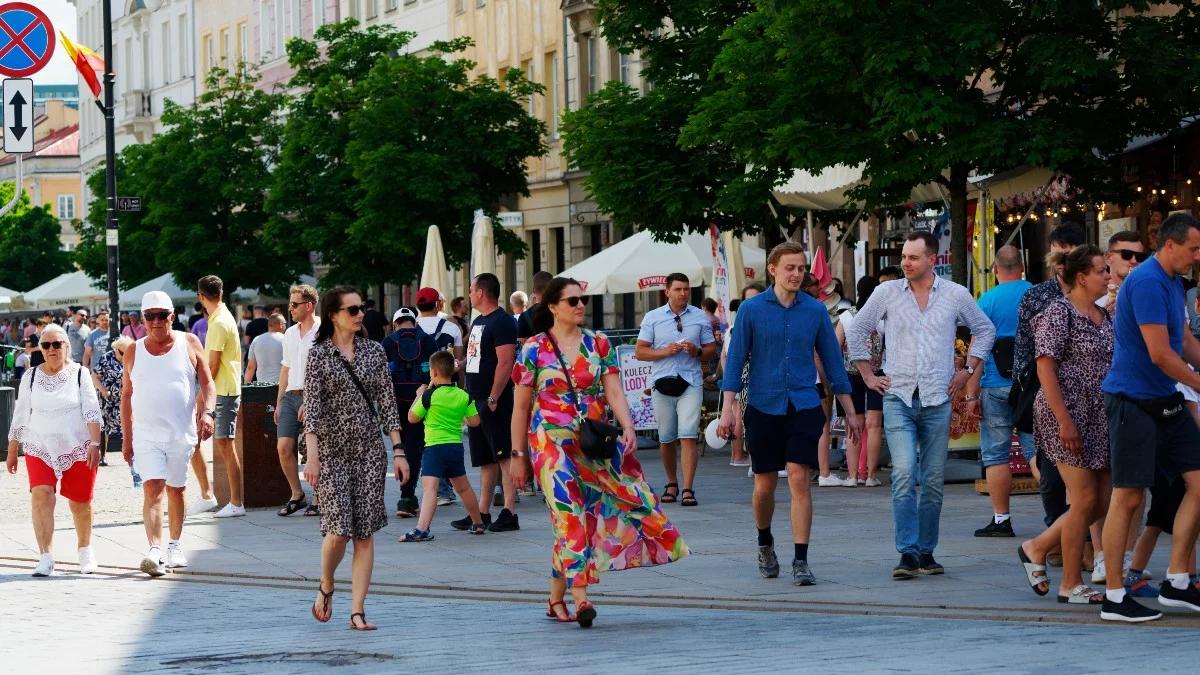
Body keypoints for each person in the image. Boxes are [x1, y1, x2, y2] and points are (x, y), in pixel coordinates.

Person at [510, 277, 688, 627]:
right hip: (548, 442)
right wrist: (518, 457)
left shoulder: (599, 343)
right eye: (572, 300)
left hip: (592, 442)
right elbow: (519, 408)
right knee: (569, 514)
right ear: (552, 306)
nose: (580, 305)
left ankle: (555, 597)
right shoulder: (534, 348)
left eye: (583, 300)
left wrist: (629, 426)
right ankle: (582, 599)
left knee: (611, 506)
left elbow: (615, 392)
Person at [848, 231, 996, 579]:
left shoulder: (955, 293)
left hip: (937, 397)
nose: (905, 262)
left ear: (932, 259)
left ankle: (926, 551)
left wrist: (967, 370)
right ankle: (907, 552)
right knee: (902, 473)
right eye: (903, 256)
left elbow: (985, 330)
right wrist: (869, 375)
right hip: (898, 395)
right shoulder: (887, 292)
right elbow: (858, 330)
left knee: (931, 479)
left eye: (912, 257)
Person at [719, 242, 864, 585]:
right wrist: (728, 411)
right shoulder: (752, 310)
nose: (797, 274)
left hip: (803, 404)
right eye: (790, 268)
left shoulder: (814, 312)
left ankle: (801, 559)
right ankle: (765, 540)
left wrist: (850, 411)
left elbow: (833, 362)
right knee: (765, 485)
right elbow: (735, 361)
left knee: (799, 476)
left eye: (801, 269)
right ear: (773, 269)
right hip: (762, 405)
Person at [1098, 213, 1200, 622]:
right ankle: (1114, 595)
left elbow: (1185, 341)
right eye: (1193, 248)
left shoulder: (1175, 284)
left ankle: (1177, 581)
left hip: (1164, 399)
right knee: (1129, 496)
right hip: (1132, 400)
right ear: (1170, 245)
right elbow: (1160, 354)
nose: (1197, 256)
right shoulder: (1146, 282)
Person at [302, 285, 407, 631]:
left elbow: (388, 404)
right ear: (333, 315)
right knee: (338, 531)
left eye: (361, 308)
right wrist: (312, 457)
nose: (360, 314)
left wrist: (399, 451)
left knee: (364, 533)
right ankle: (327, 583)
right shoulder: (318, 355)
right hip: (331, 453)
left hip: (368, 452)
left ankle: (358, 610)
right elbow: (313, 409)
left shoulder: (374, 352)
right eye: (352, 310)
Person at [1015, 246, 1113, 604]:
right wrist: (1064, 420)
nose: (1108, 276)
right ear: (1082, 277)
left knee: (1098, 503)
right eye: (1102, 271)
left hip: (1099, 414)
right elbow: (1045, 368)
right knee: (1085, 499)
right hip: (1065, 412)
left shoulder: (1104, 314)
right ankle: (1070, 582)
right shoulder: (1058, 312)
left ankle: (1037, 547)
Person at [122, 291, 216, 577]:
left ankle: (175, 544)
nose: (156, 321)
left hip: (180, 433)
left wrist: (208, 413)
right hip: (146, 434)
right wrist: (127, 438)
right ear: (142, 319)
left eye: (162, 315)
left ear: (172, 316)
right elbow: (126, 395)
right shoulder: (133, 350)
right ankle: (154, 549)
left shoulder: (189, 342)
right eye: (150, 316)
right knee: (153, 488)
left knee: (177, 489)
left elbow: (208, 383)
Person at [5, 323, 104, 577]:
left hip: (78, 445)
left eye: (57, 344)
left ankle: (85, 551)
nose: (52, 349)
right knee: (41, 496)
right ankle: (46, 557)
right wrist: (13, 448)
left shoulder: (80, 373)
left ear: (66, 347)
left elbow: (92, 412)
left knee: (80, 501)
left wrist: (95, 444)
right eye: (46, 345)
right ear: (41, 348)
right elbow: (20, 413)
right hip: (39, 445)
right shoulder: (31, 376)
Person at [1013, 223, 1086, 558]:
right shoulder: (1038, 295)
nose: (1066, 257)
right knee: (1052, 468)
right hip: (1047, 392)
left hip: (1089, 395)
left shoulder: (1095, 294)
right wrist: (1024, 387)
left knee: (1089, 472)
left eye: (1073, 249)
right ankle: (1055, 534)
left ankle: (1083, 543)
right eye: (1062, 249)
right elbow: (1025, 347)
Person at [966, 245, 1039, 536]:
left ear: (996, 270)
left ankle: (1001, 520)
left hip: (995, 385)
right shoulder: (1037, 294)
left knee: (996, 455)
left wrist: (971, 393)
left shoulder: (987, 300)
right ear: (1021, 268)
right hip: (1032, 385)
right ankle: (1060, 514)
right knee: (1037, 450)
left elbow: (977, 350)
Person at [635, 273, 716, 507]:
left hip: (690, 381)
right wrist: (664, 352)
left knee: (688, 434)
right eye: (678, 289)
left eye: (686, 289)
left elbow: (711, 349)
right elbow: (640, 352)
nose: (683, 293)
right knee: (667, 437)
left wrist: (697, 351)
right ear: (667, 291)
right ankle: (672, 482)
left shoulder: (700, 317)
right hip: (662, 381)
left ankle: (688, 488)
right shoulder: (653, 317)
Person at [398, 350, 486, 540]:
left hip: (434, 448)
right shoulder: (463, 395)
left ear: (434, 372)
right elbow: (475, 422)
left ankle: (422, 529)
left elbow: (412, 417)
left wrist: (419, 395)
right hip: (455, 447)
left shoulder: (429, 396)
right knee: (463, 488)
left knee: (430, 489)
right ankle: (478, 522)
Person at [458, 273, 520, 532]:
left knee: (503, 455)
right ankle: (481, 512)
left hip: (494, 399)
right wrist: (456, 367)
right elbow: (474, 358)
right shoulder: (478, 321)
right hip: (474, 397)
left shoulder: (503, 322)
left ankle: (509, 511)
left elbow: (506, 362)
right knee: (485, 458)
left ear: (481, 292)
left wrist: (494, 396)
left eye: (471, 290)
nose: (469, 294)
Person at [382, 307, 440, 518]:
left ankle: (405, 496)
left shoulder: (388, 342)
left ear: (396, 324)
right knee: (415, 448)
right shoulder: (427, 340)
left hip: (394, 402)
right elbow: (437, 373)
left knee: (400, 448)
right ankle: (407, 497)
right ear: (414, 323)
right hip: (421, 400)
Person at [197, 275, 245, 518]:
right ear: (222, 293)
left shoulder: (218, 323)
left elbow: (212, 365)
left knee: (226, 445)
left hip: (223, 390)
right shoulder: (223, 317)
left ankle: (236, 502)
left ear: (201, 296)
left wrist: (203, 395)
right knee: (219, 444)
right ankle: (210, 495)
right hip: (226, 388)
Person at [414, 286, 465, 507]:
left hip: (420, 388)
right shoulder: (452, 328)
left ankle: (433, 487)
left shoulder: (411, 327)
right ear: (438, 305)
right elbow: (458, 363)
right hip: (447, 387)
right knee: (447, 434)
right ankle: (445, 487)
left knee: (427, 438)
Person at [834, 276, 885, 487]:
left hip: (851, 373)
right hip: (878, 373)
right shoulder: (882, 317)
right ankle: (871, 476)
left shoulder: (846, 316)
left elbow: (836, 347)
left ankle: (853, 476)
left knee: (853, 424)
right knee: (874, 426)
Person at [275, 284, 321, 517]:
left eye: (294, 304)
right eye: (290, 304)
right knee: (284, 447)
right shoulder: (290, 333)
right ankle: (297, 494)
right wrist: (280, 399)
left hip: (313, 395)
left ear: (309, 305)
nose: (290, 309)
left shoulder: (324, 330)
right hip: (291, 396)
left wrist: (311, 399)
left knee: (314, 449)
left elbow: (326, 370)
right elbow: (286, 367)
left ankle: (320, 497)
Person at [720, 283, 766, 468]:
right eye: (748, 300)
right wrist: (731, 378)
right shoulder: (735, 328)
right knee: (741, 417)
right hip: (745, 378)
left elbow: (724, 356)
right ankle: (743, 456)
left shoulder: (731, 328)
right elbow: (729, 358)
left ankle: (739, 456)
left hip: (750, 378)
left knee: (742, 417)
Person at [96, 337, 139, 487]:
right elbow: (94, 376)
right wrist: (103, 391)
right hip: (107, 398)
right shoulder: (106, 358)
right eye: (122, 352)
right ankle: (102, 456)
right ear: (116, 349)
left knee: (129, 424)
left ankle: (134, 456)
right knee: (103, 427)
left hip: (124, 399)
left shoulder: (132, 357)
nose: (124, 354)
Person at [1099, 231, 1148, 315]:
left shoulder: (1150, 292)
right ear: (1108, 258)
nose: (1134, 261)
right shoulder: (1094, 294)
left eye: (1139, 256)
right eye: (1127, 254)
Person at [245, 313, 286, 385]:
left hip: (262, 386)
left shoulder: (256, 340)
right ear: (281, 325)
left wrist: (245, 387)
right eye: (285, 324)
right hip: (282, 386)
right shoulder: (286, 339)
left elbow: (250, 367)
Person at [517, 271, 554, 341]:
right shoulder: (559, 312)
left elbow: (520, 345)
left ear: (534, 290)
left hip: (534, 351)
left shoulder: (525, 316)